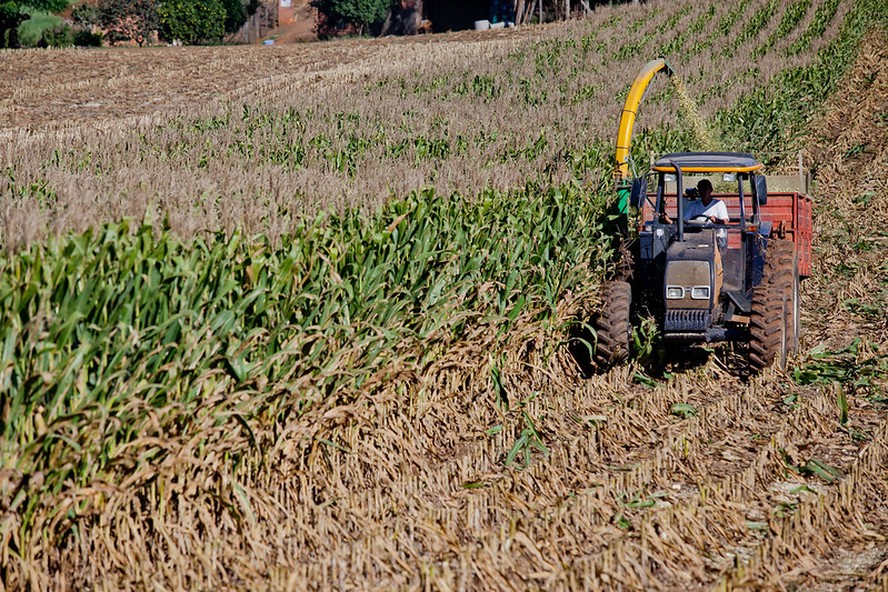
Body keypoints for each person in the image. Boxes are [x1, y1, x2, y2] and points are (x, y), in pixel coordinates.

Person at [659, 179, 729, 225]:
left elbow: (725, 221)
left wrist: (717, 220)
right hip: (696, 237)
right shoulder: (693, 206)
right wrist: (669, 221)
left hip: (717, 237)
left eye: (705, 189)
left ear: (711, 190)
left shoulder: (719, 204)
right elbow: (683, 221)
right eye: (701, 189)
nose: (703, 192)